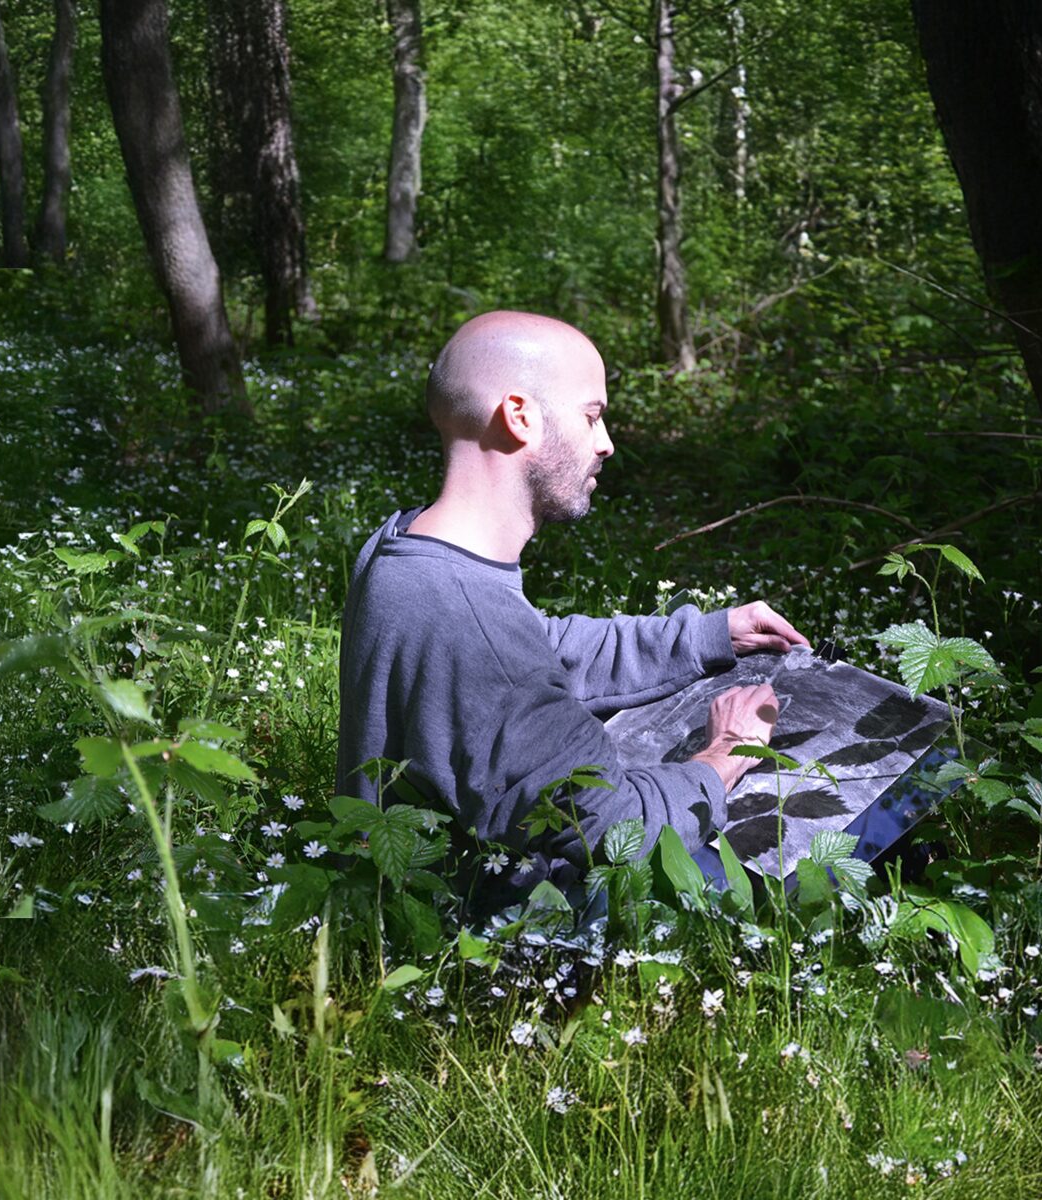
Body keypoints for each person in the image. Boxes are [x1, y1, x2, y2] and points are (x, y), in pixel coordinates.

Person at [336, 311, 809, 899]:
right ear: (519, 417)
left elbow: (537, 646)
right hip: (485, 949)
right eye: (592, 416)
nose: (606, 443)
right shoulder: (472, 621)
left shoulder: (405, 547)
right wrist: (726, 752)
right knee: (807, 869)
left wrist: (711, 635)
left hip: (398, 890)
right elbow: (617, 831)